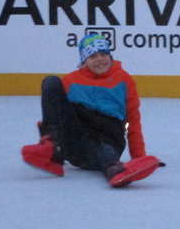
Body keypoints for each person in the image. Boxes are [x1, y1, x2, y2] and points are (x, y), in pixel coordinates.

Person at [20, 33, 164, 188]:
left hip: (108, 138)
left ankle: (115, 170)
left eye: (103, 54)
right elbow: (56, 111)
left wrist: (139, 158)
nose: (100, 59)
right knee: (51, 82)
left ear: (110, 56)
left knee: (102, 142)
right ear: (84, 61)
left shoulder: (123, 79)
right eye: (93, 56)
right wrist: (48, 133)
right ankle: (52, 152)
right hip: (77, 141)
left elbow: (133, 119)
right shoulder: (71, 81)